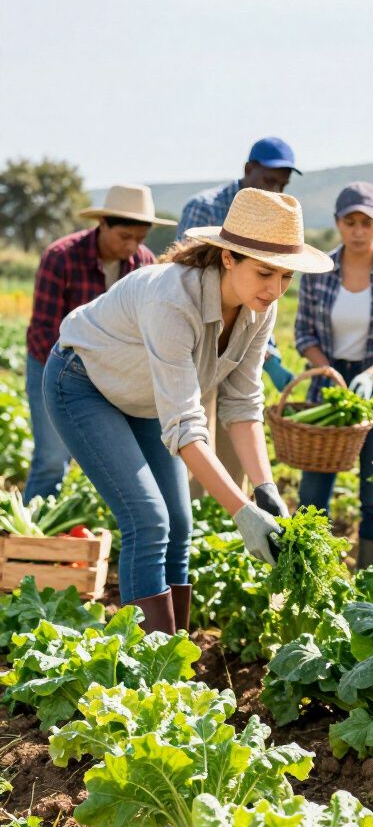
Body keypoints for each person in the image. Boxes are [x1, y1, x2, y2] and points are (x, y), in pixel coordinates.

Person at [44, 189, 333, 634]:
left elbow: (242, 402)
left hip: (145, 398)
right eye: (265, 273)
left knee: (180, 521)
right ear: (229, 258)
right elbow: (184, 424)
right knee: (148, 519)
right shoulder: (171, 299)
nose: (275, 289)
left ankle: (175, 655)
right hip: (83, 383)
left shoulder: (260, 308)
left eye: (285, 277)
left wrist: (265, 489)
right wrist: (241, 513)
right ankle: (148, 667)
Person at [293, 182, 373, 570]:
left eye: (366, 221)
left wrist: (371, 375)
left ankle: (369, 578)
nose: (358, 230)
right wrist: (326, 370)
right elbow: (304, 333)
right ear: (337, 224)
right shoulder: (318, 270)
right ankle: (314, 573)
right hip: (329, 386)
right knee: (314, 489)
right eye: (350, 222)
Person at [24, 184, 173, 499]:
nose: (132, 246)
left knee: (120, 465)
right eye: (124, 237)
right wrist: (79, 385)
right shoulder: (61, 257)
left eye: (140, 238)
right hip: (52, 365)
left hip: (118, 374)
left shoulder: (144, 264)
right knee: (52, 459)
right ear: (103, 224)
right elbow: (44, 333)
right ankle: (30, 546)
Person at [177, 137, 301, 488]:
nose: (275, 190)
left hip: (235, 341)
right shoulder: (204, 207)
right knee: (192, 437)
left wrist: (268, 356)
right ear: (249, 170)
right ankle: (197, 521)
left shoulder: (274, 222)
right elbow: (189, 281)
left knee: (236, 444)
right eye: (268, 180)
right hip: (197, 338)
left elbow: (259, 295)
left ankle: (233, 519)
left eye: (282, 184)